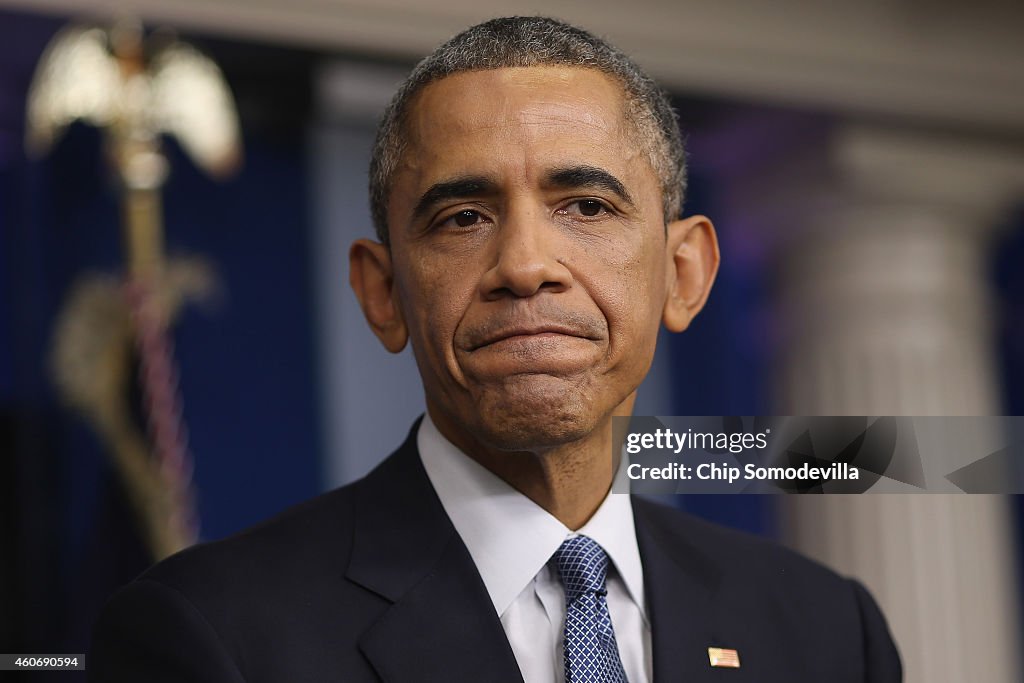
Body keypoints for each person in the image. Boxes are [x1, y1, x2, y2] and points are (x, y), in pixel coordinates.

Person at [88, 16, 902, 683]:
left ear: (683, 274)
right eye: (463, 217)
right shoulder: (210, 636)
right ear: (382, 291)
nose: (524, 265)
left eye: (585, 205)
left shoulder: (828, 631)